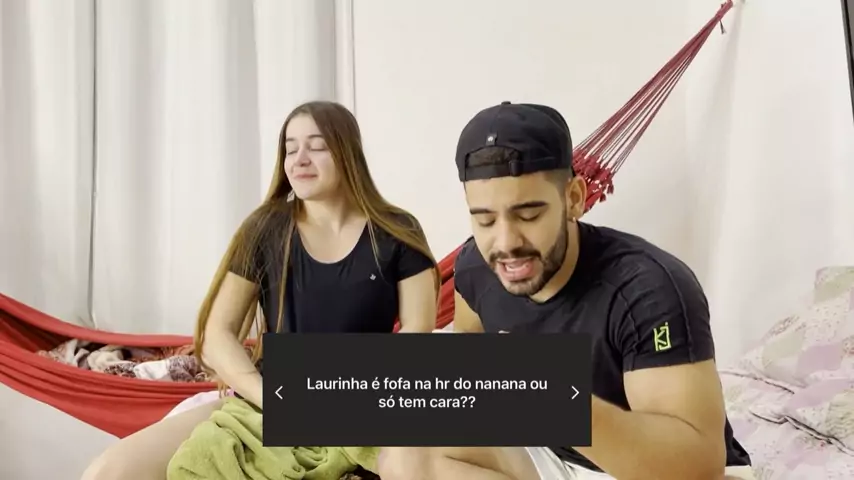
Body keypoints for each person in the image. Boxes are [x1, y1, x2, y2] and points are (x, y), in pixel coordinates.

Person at [378, 102, 754, 480]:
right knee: (402, 457)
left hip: (650, 468)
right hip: (551, 452)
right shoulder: (476, 265)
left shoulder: (648, 288)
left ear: (573, 198)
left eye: (529, 215)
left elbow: (698, 467)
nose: (506, 243)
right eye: (485, 220)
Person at [80, 101, 440, 480]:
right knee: (107, 473)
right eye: (290, 149)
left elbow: (417, 337)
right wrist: (269, 397)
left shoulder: (397, 230)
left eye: (317, 146)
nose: (299, 160)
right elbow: (217, 334)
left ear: (348, 152)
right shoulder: (266, 227)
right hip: (268, 399)